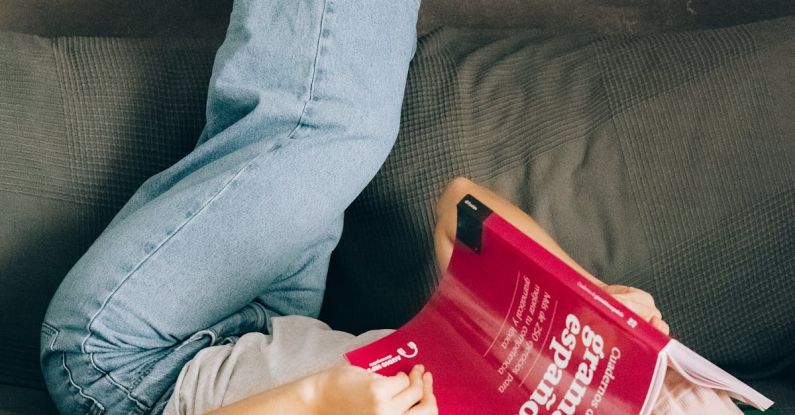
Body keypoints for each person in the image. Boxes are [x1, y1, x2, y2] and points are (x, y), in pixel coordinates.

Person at [39, 1, 744, 414]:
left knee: (328, 127)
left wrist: (318, 402)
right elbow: (460, 208)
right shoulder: (694, 405)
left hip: (130, 368)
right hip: (271, 319)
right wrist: (592, 303)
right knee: (336, 125)